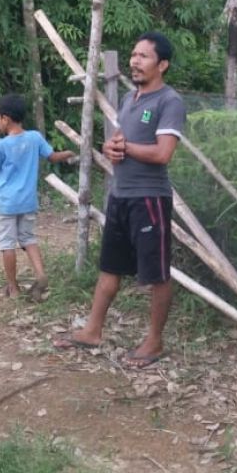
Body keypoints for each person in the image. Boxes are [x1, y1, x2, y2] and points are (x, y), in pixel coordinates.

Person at [52, 31, 186, 369]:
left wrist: (124, 149)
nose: (135, 61)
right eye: (134, 55)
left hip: (149, 199)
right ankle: (92, 330)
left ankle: (154, 342)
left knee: (156, 274)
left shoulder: (169, 102)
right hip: (121, 195)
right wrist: (112, 148)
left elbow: (162, 152)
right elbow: (121, 143)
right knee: (110, 266)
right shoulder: (131, 99)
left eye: (144, 56)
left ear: (163, 64)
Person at [0, 93, 76, 299]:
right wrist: (68, 154)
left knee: (7, 244)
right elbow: (52, 157)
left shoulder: (2, 145)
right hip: (27, 201)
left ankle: (13, 288)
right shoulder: (34, 137)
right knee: (28, 239)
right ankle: (41, 274)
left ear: (5, 119)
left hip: (7, 203)